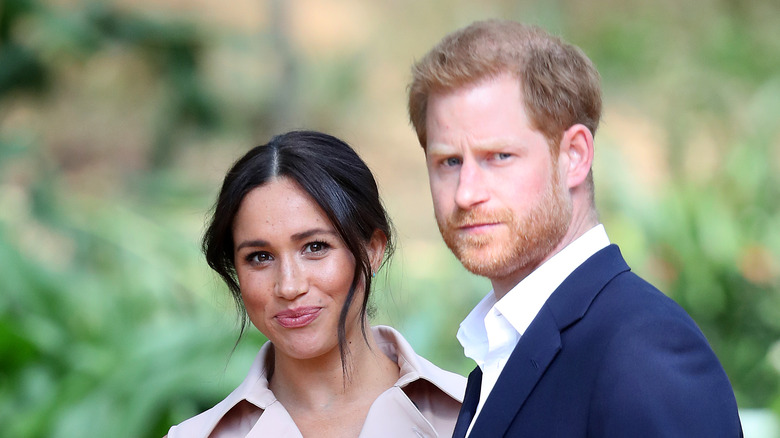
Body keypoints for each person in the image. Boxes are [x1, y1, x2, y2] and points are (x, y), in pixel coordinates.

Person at [407, 19, 743, 437]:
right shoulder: (504, 348)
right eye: (449, 162)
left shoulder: (643, 351)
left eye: (499, 156)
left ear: (575, 156)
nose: (465, 193)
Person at [165, 130, 465, 437]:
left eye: (315, 247)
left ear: (372, 250)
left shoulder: (477, 415)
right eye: (259, 257)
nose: (289, 286)